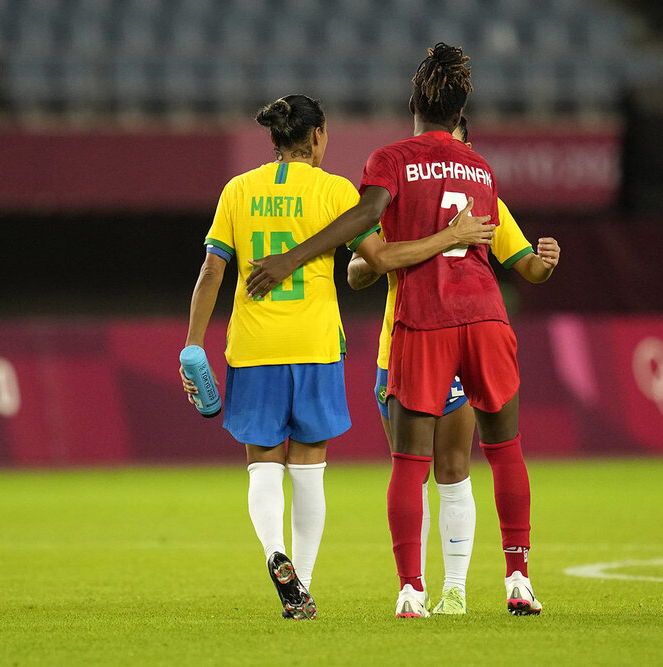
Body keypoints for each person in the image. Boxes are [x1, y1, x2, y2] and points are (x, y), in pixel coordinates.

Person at [244, 43, 545, 618]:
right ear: (461, 114)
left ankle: (412, 590)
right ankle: (519, 579)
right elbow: (515, 259)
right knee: (505, 450)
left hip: (423, 320)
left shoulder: (392, 159)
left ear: (412, 102)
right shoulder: (480, 168)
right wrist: (539, 259)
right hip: (484, 314)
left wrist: (289, 259)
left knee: (412, 464)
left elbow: (363, 228)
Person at [179, 93, 492, 620]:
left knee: (262, 468)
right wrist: (452, 236)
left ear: (275, 140)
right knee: (308, 471)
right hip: (316, 345)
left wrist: (192, 345)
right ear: (318, 135)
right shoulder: (335, 191)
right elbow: (381, 259)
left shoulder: (238, 190)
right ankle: (301, 584)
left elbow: (212, 272)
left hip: (254, 346)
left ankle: (275, 556)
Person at [347, 115, 561, 615]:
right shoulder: (464, 181)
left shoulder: (411, 178)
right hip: (416, 338)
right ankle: (474, 583)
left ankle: (447, 590)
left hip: (419, 335)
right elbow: (360, 267)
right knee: (437, 468)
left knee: (444, 467)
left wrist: (544, 262)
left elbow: (526, 263)